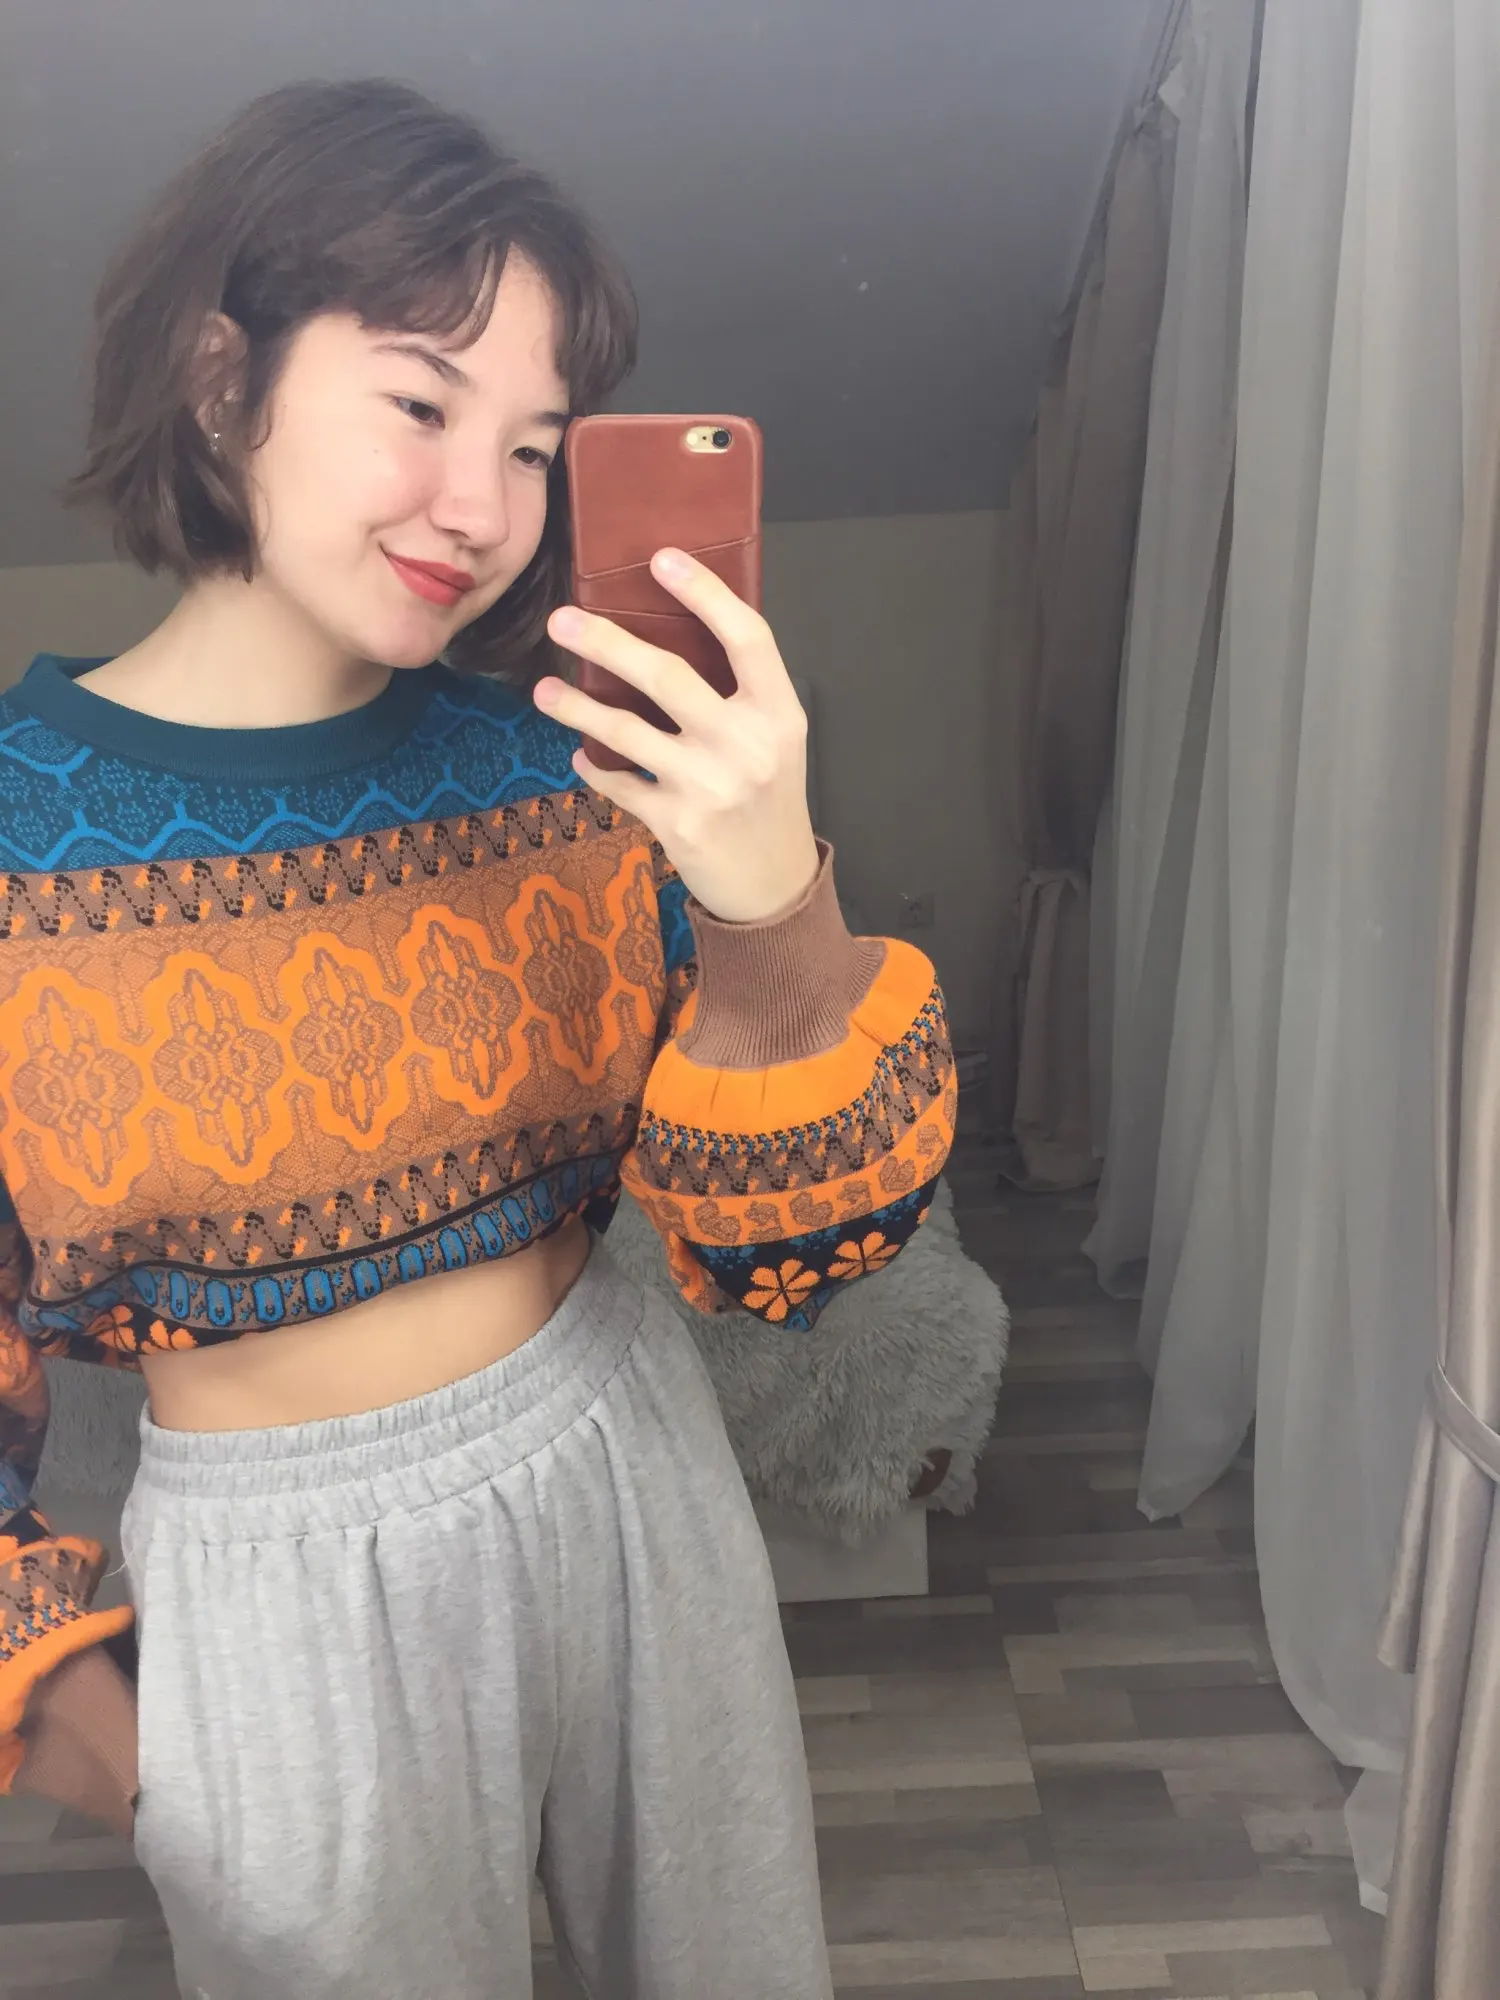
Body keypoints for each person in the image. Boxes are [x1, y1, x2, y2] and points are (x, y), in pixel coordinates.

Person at [0, 79, 954, 2000]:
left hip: (627, 1456)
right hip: (275, 1573)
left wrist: (771, 901)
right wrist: (120, 1754)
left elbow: (797, 1263)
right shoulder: (23, 841)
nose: (485, 511)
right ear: (219, 379)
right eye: (421, 405)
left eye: (532, 446)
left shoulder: (569, 772)